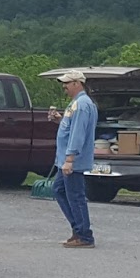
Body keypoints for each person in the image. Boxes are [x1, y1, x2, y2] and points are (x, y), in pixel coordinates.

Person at [50, 70, 98, 248]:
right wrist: (60, 120)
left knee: (75, 196)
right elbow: (72, 126)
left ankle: (84, 235)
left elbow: (78, 133)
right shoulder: (76, 103)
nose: (64, 86)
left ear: (78, 83)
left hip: (72, 161)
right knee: (59, 190)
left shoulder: (82, 105)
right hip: (65, 160)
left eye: (68, 83)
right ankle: (77, 229)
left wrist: (70, 159)